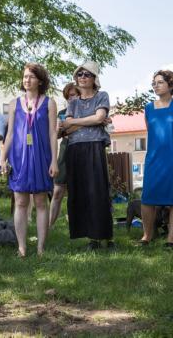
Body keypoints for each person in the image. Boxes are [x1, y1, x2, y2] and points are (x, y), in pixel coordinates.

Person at [0, 63, 58, 257]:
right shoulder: (15, 103)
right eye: (25, 77)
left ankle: (41, 247)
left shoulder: (49, 103)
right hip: (19, 156)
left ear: (40, 80)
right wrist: (2, 157)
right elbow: (9, 135)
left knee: (41, 201)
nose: (27, 80)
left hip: (41, 156)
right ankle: (22, 247)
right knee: (20, 201)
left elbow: (52, 133)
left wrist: (54, 161)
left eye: (31, 77)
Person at [61, 61, 113, 250]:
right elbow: (66, 127)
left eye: (87, 74)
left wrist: (78, 121)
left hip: (94, 147)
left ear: (94, 79)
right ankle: (90, 238)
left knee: (97, 192)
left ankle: (104, 237)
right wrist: (90, 120)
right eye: (80, 74)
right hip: (74, 149)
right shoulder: (73, 102)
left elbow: (100, 118)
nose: (82, 77)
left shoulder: (102, 96)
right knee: (79, 193)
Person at [139, 70, 173, 248]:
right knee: (147, 197)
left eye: (160, 82)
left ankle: (171, 239)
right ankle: (146, 236)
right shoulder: (149, 108)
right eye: (154, 83)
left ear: (171, 85)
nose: (155, 85)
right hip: (153, 157)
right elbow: (150, 132)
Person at [49, 82, 79, 227]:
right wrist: (60, 129)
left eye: (73, 95)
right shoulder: (62, 113)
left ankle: (78, 224)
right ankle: (48, 225)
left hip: (81, 150)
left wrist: (70, 128)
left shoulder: (87, 111)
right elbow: (56, 135)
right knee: (58, 191)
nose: (70, 99)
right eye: (68, 97)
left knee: (79, 192)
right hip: (65, 150)